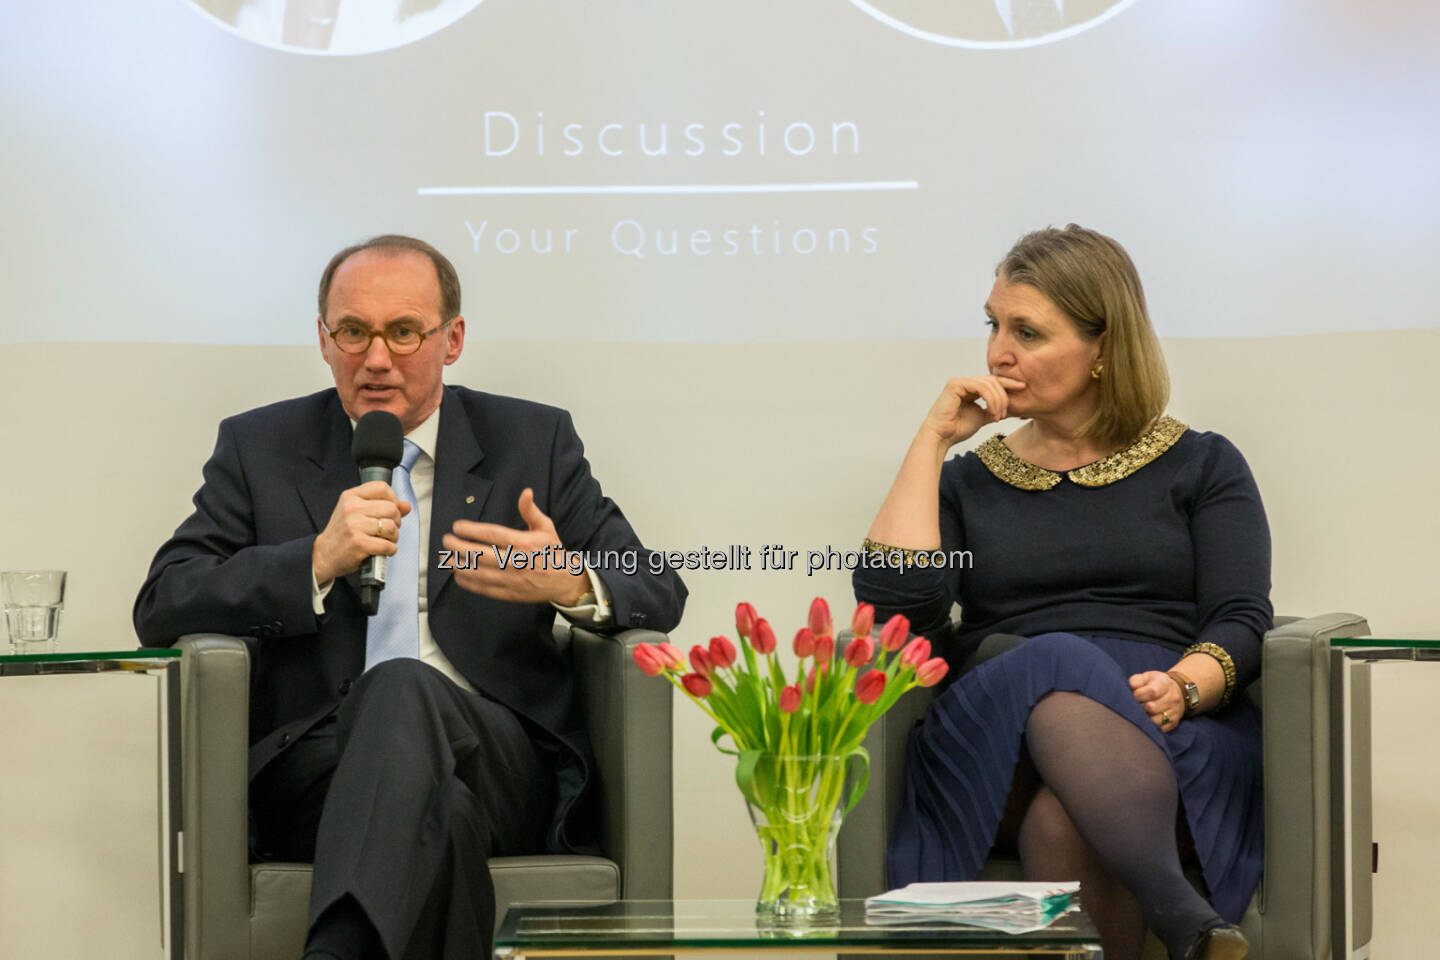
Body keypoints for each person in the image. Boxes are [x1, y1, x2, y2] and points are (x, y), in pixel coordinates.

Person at [134, 235, 687, 960]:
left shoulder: (533, 439)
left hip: (500, 757)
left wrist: (567, 581)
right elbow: (164, 601)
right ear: (324, 340)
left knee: (404, 690)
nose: (376, 358)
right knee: (439, 815)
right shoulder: (261, 445)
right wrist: (316, 559)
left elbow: (658, 588)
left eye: (403, 331)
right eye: (353, 332)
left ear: (452, 339)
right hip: (320, 769)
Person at [853, 224, 1266, 960]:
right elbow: (894, 615)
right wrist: (932, 442)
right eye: (994, 325)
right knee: (1052, 658)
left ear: (1103, 345)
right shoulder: (970, 481)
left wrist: (1186, 685)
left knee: (1064, 822)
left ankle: (1186, 925)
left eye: (1028, 332)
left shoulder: (1202, 465)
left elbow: (1239, 616)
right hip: (997, 731)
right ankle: (1185, 920)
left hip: (1160, 721)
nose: (997, 352)